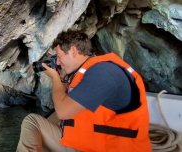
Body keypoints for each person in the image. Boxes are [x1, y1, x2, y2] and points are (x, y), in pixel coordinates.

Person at [16, 30, 152, 152]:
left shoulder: (103, 73)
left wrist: (55, 79)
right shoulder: (94, 70)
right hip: (96, 143)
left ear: (73, 51)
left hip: (110, 147)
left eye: (59, 56)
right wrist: (63, 80)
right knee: (51, 121)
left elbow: (63, 112)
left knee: (32, 122)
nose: (57, 62)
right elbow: (70, 104)